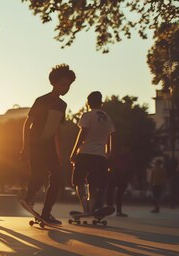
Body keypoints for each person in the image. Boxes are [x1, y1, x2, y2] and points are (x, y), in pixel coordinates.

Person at [20, 64, 76, 225]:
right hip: (36, 143)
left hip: (50, 146)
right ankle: (28, 199)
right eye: (63, 84)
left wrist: (58, 153)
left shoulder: (62, 105)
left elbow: (57, 129)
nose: (66, 88)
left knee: (57, 178)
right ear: (54, 83)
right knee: (39, 175)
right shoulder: (41, 100)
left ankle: (46, 213)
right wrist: (25, 147)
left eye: (69, 86)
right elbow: (27, 123)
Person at [70, 91, 115, 215]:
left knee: (78, 182)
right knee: (93, 184)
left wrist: (74, 151)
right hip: (100, 156)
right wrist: (109, 153)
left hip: (85, 153)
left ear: (88, 103)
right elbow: (111, 136)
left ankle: (85, 208)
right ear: (101, 103)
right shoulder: (107, 118)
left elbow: (82, 134)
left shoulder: (87, 115)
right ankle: (91, 209)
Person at [106, 148, 132, 217]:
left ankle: (115, 210)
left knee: (114, 192)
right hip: (117, 174)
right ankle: (114, 209)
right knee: (113, 192)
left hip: (118, 175)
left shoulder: (115, 155)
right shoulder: (117, 156)